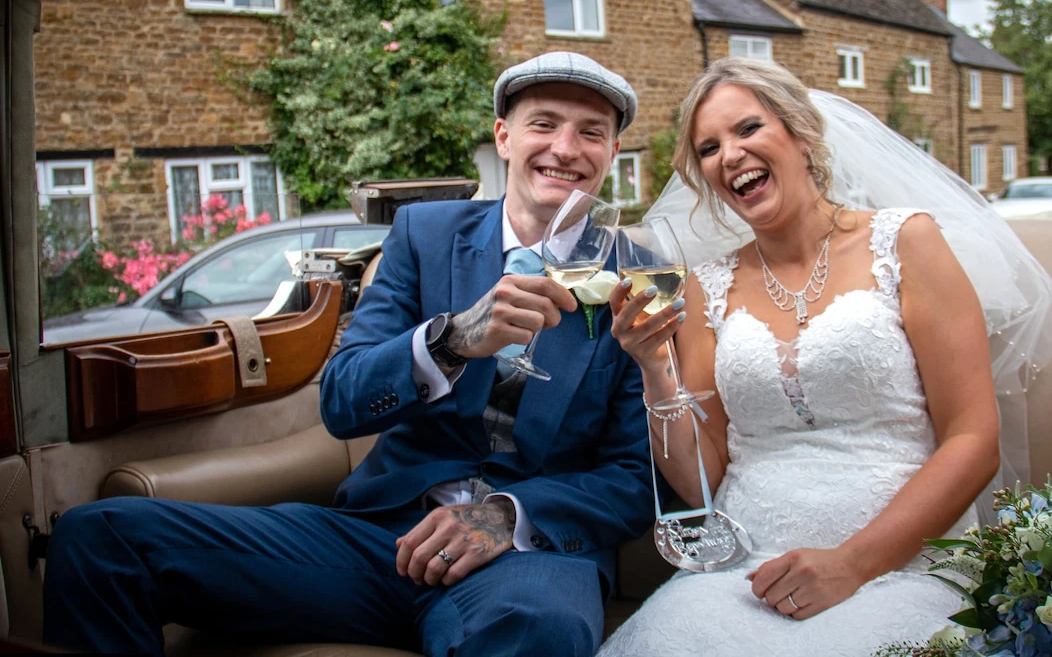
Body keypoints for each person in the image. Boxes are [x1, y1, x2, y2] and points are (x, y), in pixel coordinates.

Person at [42, 51, 654, 657]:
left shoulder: (642, 277)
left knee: (536, 629)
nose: (566, 148)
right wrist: (452, 341)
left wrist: (506, 515)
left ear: (611, 154)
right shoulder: (422, 234)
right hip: (376, 541)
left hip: (526, 558)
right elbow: (341, 400)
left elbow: (634, 474)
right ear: (503, 137)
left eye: (591, 133)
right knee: (101, 537)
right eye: (544, 123)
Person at [598, 57, 1052, 656]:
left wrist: (851, 565)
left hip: (903, 565)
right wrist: (655, 370)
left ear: (801, 134)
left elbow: (973, 441)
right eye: (708, 148)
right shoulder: (701, 287)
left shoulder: (906, 242)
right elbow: (700, 482)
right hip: (744, 572)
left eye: (747, 129)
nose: (729, 156)